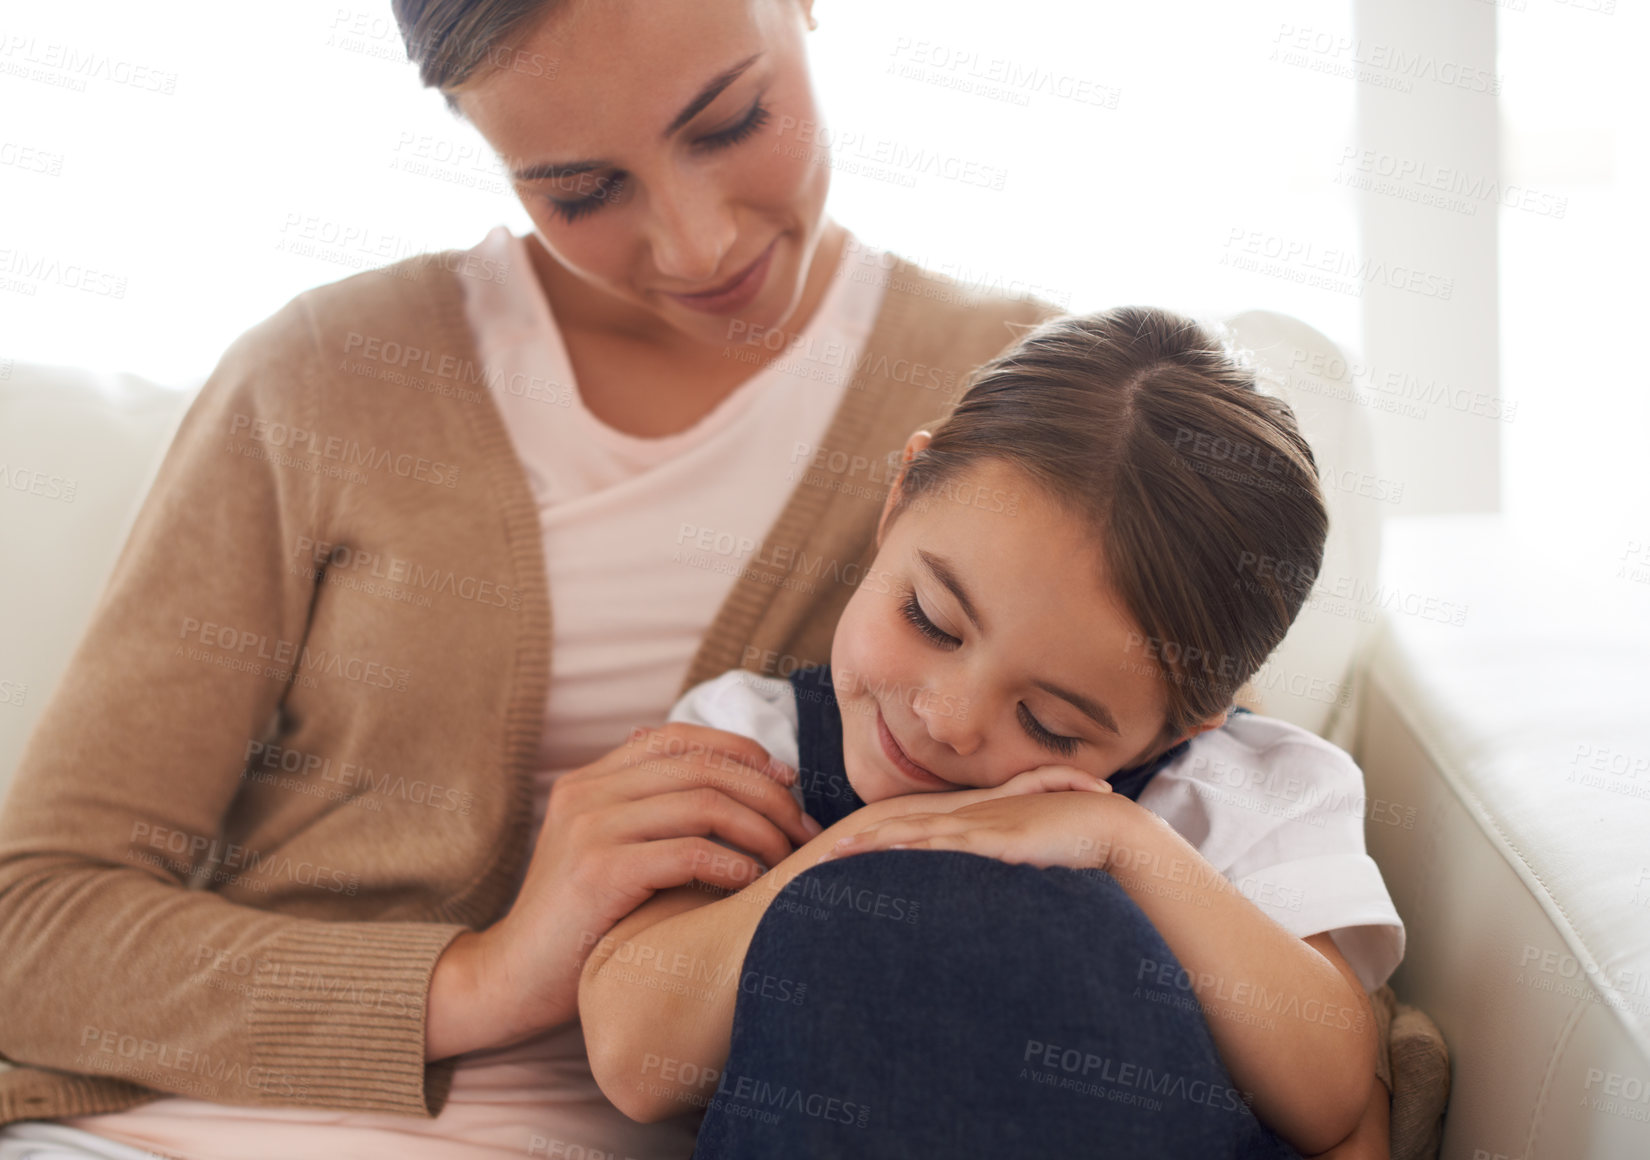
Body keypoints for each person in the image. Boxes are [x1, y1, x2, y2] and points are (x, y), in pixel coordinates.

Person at [0, 2, 1080, 1159]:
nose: (695, 245)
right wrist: (486, 975)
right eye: (580, 192)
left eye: (733, 120)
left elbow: (1173, 834)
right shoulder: (330, 378)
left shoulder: (1033, 410)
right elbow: (30, 938)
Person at [577, 308, 1403, 1157]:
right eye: (930, 620)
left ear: (1176, 729)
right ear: (902, 495)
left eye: (1048, 724)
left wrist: (1125, 841)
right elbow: (635, 1059)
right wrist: (865, 843)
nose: (946, 720)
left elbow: (1333, 1095)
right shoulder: (752, 743)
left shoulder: (1235, 795)